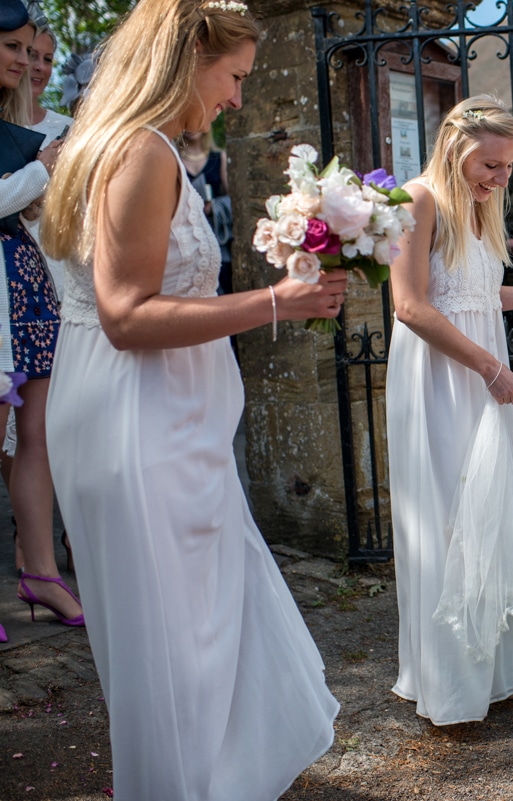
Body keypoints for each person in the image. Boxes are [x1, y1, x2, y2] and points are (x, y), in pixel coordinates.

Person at [40, 1, 341, 796]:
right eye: (235, 77)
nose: (240, 98)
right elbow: (127, 315)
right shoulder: (141, 153)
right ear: (185, 59)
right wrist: (278, 303)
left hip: (153, 417)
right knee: (174, 642)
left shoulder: (104, 144)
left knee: (184, 632)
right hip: (141, 422)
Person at [387, 95, 513, 725]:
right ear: (455, 147)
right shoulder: (418, 200)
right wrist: (489, 367)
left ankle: (492, 670)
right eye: (490, 167)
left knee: (485, 507)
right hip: (442, 376)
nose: (500, 180)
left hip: (479, 366)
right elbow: (412, 305)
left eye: (506, 169)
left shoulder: (477, 207)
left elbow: (473, 293)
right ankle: (449, 681)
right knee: (447, 512)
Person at [0, 0, 80, 623]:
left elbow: (30, 212)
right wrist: (38, 171)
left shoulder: (26, 122)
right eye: (18, 49)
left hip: (27, 279)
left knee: (38, 436)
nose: (30, 63)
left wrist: (37, 184)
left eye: (36, 53)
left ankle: (41, 573)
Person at [179, 129, 234, 295]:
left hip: (216, 235)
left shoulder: (219, 157)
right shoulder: (175, 160)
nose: (191, 128)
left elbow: (234, 199)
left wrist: (214, 207)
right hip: (187, 237)